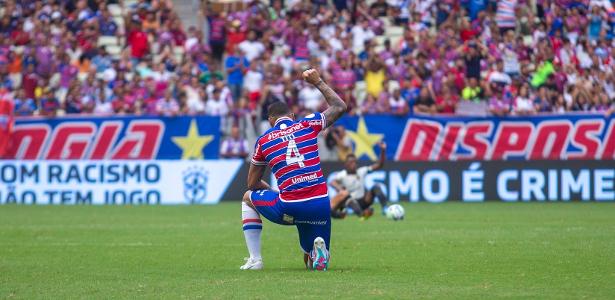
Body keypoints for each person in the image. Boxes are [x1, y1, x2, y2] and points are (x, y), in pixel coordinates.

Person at [239, 68, 347, 271]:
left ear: (271, 120)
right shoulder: (307, 124)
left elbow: (251, 184)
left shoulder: (264, 140)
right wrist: (318, 82)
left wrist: (277, 193)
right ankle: (316, 252)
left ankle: (255, 260)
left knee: (247, 197)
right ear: (292, 115)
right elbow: (340, 106)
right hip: (321, 204)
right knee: (310, 256)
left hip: (290, 206)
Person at [329, 142, 389, 219]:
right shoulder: (342, 175)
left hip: (363, 200)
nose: (354, 164)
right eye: (351, 162)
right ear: (346, 164)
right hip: (351, 202)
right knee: (347, 197)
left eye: (355, 162)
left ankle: (385, 209)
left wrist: (383, 150)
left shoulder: (361, 171)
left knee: (376, 187)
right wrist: (339, 188)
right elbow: (332, 182)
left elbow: (379, 165)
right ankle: (361, 214)